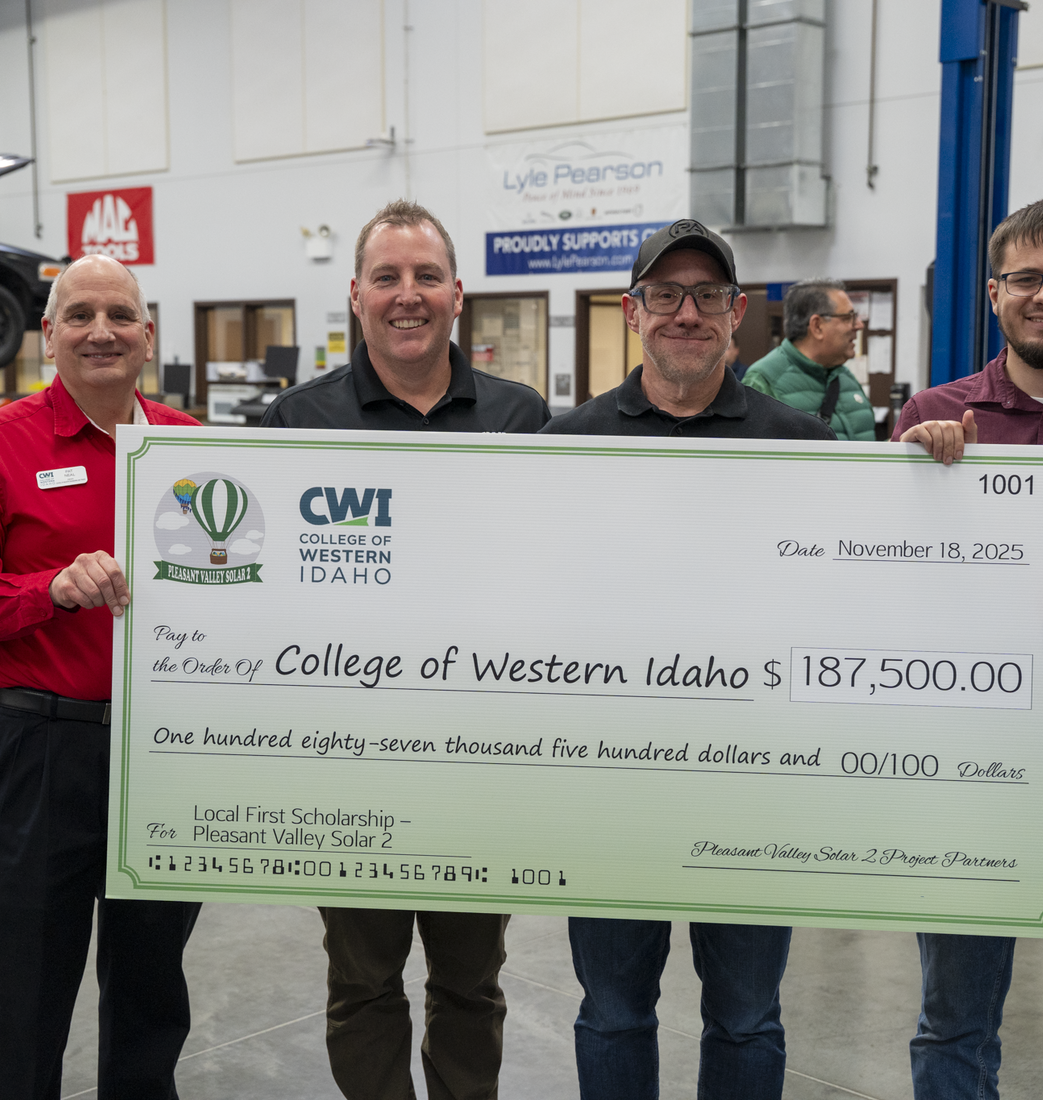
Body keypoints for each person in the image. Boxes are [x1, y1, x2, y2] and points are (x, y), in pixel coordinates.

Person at [262, 199, 550, 1100]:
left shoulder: (522, 416)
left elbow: (556, 576)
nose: (407, 295)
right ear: (355, 295)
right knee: (362, 983)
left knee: (471, 984)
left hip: (480, 763)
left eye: (426, 276)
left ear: (458, 294)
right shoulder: (293, 424)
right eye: (387, 277)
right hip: (348, 768)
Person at [540, 218, 833, 1099]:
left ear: (739, 314)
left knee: (746, 1017)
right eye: (664, 295)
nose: (686, 313)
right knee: (614, 1010)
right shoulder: (564, 447)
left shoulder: (807, 450)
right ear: (633, 311)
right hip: (610, 790)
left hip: (755, 791)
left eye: (708, 296)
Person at [893, 195, 1043, 1098]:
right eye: (1027, 277)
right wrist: (907, 478)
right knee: (953, 1030)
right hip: (969, 786)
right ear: (993, 293)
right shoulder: (936, 419)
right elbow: (871, 590)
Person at [0, 254, 202, 1099]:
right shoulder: (7, 442)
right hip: (44, 748)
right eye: (78, 315)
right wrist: (48, 589)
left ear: (147, 336)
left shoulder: (191, 447)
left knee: (153, 979)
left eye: (119, 314)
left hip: (165, 753)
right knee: (26, 982)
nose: (100, 330)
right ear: (48, 337)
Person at [741, 278, 874, 439]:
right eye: (848, 317)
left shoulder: (846, 378)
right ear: (817, 326)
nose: (859, 325)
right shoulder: (763, 381)